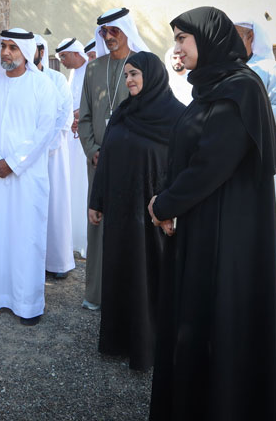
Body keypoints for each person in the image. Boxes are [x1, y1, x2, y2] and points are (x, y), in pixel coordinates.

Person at [148, 7, 276, 420]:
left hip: (228, 235)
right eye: (175, 39)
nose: (176, 48)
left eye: (182, 39)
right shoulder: (212, 87)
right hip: (203, 224)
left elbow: (211, 163)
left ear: (207, 40)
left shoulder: (240, 89)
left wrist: (164, 204)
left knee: (221, 324)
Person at [88, 51, 184, 371]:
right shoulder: (123, 112)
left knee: (150, 274)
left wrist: (173, 208)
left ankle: (150, 346)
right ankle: (118, 340)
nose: (128, 79)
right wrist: (97, 201)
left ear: (151, 76)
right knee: (120, 271)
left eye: (135, 74)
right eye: (127, 74)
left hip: (153, 216)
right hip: (120, 213)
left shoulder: (176, 116)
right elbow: (106, 158)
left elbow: (184, 167)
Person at [0, 28, 60, 326]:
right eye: (4, 46)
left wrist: (12, 162)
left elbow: (44, 131)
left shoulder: (42, 86)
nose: (6, 52)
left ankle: (27, 304)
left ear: (26, 52)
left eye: (13, 47)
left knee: (25, 237)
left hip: (27, 178)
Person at [78, 7, 150, 311]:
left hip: (132, 164)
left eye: (114, 30)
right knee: (98, 223)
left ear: (126, 30)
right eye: (104, 32)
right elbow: (84, 117)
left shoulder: (143, 66)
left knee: (131, 225)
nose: (108, 36)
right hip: (98, 163)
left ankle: (128, 296)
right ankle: (96, 293)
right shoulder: (94, 69)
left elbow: (150, 115)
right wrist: (92, 150)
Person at [234, 19, 276, 301]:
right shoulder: (229, 67)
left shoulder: (270, 68)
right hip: (234, 160)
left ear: (251, 38)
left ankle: (268, 297)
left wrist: (249, 112)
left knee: (265, 227)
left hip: (263, 159)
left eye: (238, 36)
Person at [34, 34, 74, 279]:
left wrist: (44, 145)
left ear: (41, 51)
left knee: (55, 204)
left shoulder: (56, 79)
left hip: (53, 153)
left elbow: (64, 115)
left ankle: (57, 262)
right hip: (27, 156)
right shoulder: (20, 80)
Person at [56, 37, 89, 257]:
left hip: (86, 140)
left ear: (76, 53)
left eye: (64, 57)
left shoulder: (91, 70)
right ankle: (73, 238)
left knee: (84, 185)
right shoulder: (73, 74)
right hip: (72, 139)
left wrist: (79, 115)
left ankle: (85, 239)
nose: (62, 61)